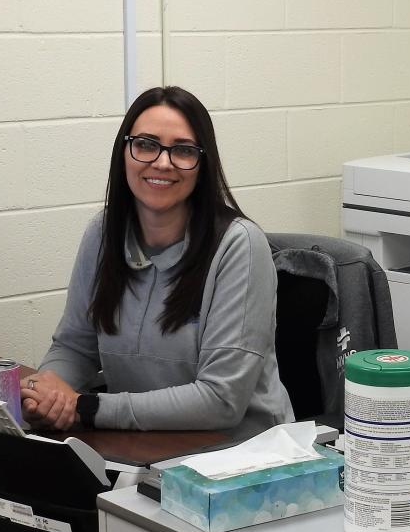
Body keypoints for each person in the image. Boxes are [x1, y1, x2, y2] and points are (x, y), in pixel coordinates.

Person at [21, 85, 293, 435]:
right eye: (146, 145)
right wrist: (46, 395)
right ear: (125, 153)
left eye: (182, 150)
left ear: (202, 163)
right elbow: (75, 346)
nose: (162, 162)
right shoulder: (102, 234)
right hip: (142, 447)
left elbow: (221, 400)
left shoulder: (238, 245)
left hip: (241, 460)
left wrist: (84, 406)